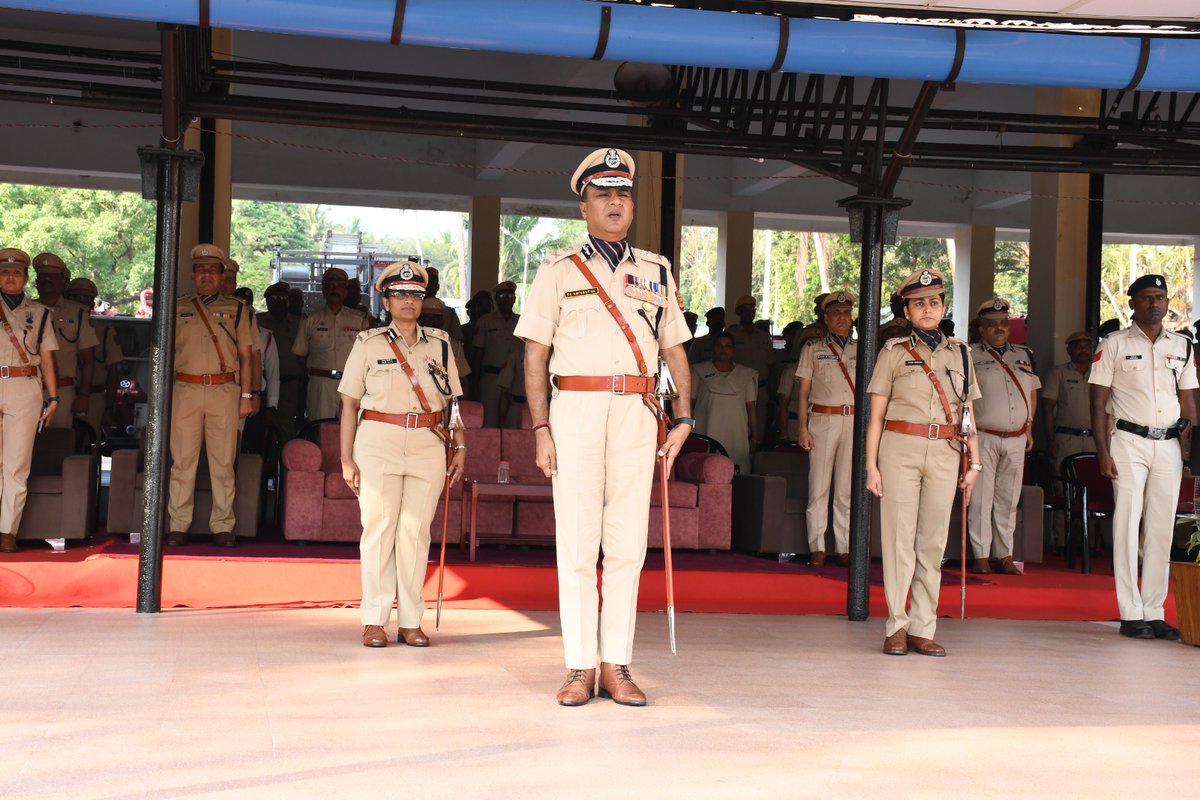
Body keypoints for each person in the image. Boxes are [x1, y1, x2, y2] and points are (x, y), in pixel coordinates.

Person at [517, 147, 692, 706]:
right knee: (576, 541)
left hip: (639, 414)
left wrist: (685, 416)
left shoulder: (656, 270)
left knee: (626, 544)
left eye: (623, 193)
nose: (615, 202)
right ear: (584, 207)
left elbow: (675, 348)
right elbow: (535, 354)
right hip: (576, 411)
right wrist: (541, 427)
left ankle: (616, 662)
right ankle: (578, 667)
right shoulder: (557, 270)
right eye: (603, 194)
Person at [338, 260, 466, 648]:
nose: (408, 301)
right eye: (399, 295)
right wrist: (346, 458)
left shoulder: (440, 344)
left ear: (423, 300)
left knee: (414, 531)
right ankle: (374, 618)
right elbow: (348, 404)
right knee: (379, 527)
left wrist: (460, 445)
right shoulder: (368, 343)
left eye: (414, 294)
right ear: (386, 300)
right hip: (378, 441)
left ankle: (411, 619)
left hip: (428, 442)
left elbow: (454, 404)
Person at [866, 268, 981, 657]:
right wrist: (871, 465)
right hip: (901, 448)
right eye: (919, 304)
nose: (927, 309)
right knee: (899, 541)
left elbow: (968, 415)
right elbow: (876, 415)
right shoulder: (894, 352)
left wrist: (975, 464)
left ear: (944, 307)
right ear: (907, 311)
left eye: (934, 302)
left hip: (947, 453)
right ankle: (896, 626)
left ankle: (922, 628)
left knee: (932, 543)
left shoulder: (962, 352)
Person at [1089, 274, 1197, 641]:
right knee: (1127, 521)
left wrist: (1192, 448)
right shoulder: (1114, 343)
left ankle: (1154, 608)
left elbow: (1188, 400)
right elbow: (1098, 401)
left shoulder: (1182, 345)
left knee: (1162, 526)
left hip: (1169, 444)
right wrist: (1102, 451)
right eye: (1147, 297)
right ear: (1133, 302)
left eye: (1161, 297)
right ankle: (1130, 611)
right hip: (1128, 441)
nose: (1155, 303)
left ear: (1168, 302)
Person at [166, 244, 256, 547]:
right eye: (201, 270)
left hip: (224, 391)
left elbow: (247, 356)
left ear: (222, 275)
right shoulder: (176, 307)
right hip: (185, 390)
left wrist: (247, 395)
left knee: (223, 462)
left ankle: (223, 526)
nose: (206, 275)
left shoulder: (239, 309)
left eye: (213, 270)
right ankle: (178, 524)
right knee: (182, 462)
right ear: (193, 275)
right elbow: (164, 355)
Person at [966, 297, 1039, 576]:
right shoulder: (970, 356)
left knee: (1008, 498)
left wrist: (1030, 426)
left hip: (1017, 436)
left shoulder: (1024, 355)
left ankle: (1004, 553)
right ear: (981, 329)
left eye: (1003, 323)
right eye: (991, 324)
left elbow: (1032, 391)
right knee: (981, 497)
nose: (999, 328)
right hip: (983, 434)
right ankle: (981, 555)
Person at [0, 248, 59, 553]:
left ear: (25, 278)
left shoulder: (40, 313)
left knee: (17, 464)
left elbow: (47, 359)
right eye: (5, 272)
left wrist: (54, 398)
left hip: (25, 384)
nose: (10, 277)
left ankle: (7, 531)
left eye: (16, 272)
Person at [796, 290, 858, 567]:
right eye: (836, 313)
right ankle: (818, 546)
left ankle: (843, 547)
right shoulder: (813, 348)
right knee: (819, 486)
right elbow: (803, 392)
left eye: (846, 313)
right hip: (822, 420)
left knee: (846, 488)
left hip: (853, 421)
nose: (842, 318)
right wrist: (802, 428)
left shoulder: (862, 349)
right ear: (826, 318)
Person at [293, 267, 369, 423]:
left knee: (351, 429)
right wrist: (314, 372)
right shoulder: (310, 319)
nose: (335, 290)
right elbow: (299, 355)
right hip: (321, 384)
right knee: (320, 428)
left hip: (351, 383)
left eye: (340, 286)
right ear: (323, 290)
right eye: (330, 285)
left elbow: (368, 355)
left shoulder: (359, 319)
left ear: (346, 291)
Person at [32, 253, 98, 429]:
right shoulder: (25, 312)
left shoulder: (78, 313)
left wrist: (84, 396)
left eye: (52, 276)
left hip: (63, 390)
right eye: (42, 276)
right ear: (36, 281)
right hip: (29, 388)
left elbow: (88, 360)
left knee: (59, 445)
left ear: (63, 282)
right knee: (25, 445)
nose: (47, 280)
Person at [64, 277, 124, 439]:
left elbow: (112, 373)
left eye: (87, 298)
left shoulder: (103, 331)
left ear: (93, 304)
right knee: (56, 443)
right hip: (62, 392)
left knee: (89, 445)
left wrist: (108, 409)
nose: (81, 302)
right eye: (76, 297)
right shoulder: (54, 323)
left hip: (94, 398)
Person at [691, 331, 756, 474]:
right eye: (719, 346)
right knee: (706, 469)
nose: (723, 349)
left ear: (733, 350)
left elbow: (750, 407)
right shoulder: (699, 371)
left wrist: (755, 435)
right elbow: (691, 402)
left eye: (728, 346)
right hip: (707, 428)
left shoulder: (746, 374)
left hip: (736, 432)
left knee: (736, 468)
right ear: (713, 348)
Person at [1041, 330, 1097, 472]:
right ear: (1069, 350)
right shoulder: (1058, 373)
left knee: (1093, 482)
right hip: (1067, 439)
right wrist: (1050, 440)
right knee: (1064, 481)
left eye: (1086, 347)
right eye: (1078, 347)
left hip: (1094, 439)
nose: (1083, 350)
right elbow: (1047, 408)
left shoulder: (1099, 372)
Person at [257, 282, 304, 437]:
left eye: (283, 297)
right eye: (273, 297)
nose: (278, 301)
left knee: (286, 426)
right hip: (262, 386)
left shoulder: (299, 324)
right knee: (259, 427)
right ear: (267, 301)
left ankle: (285, 460)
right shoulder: (258, 322)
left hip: (289, 385)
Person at [726, 295, 774, 440]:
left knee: (758, 432)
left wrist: (772, 391)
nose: (750, 312)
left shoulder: (763, 336)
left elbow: (771, 364)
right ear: (738, 312)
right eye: (745, 309)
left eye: (752, 309)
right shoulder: (732, 334)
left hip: (760, 390)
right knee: (738, 430)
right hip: (737, 389)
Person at [473, 280, 520, 428]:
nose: (507, 299)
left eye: (510, 295)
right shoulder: (485, 321)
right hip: (492, 377)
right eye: (503, 296)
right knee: (489, 419)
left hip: (516, 378)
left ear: (514, 299)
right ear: (496, 299)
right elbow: (478, 351)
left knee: (514, 422)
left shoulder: (521, 321)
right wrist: (476, 380)